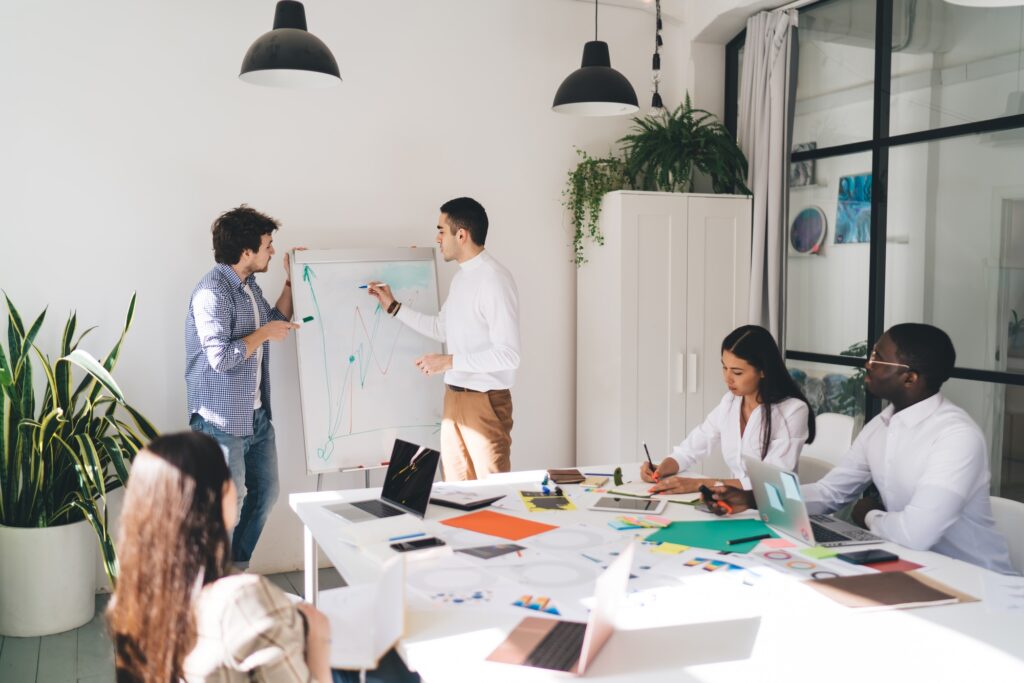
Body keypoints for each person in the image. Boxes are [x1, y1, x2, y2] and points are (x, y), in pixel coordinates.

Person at [107, 431, 419, 682]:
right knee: (387, 663)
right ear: (221, 495)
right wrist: (319, 639)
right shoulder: (241, 600)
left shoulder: (134, 602)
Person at [711, 324, 1015, 574]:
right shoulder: (879, 427)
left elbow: (916, 534)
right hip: (914, 568)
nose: (867, 364)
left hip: (977, 580)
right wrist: (754, 498)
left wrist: (869, 515)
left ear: (910, 377)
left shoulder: (956, 437)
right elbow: (831, 492)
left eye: (879, 359)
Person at [367, 197, 520, 481]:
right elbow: (441, 328)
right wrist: (393, 306)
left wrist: (449, 361)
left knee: (493, 495)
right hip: (454, 398)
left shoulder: (494, 280)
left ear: (461, 235)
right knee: (456, 493)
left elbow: (509, 354)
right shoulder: (462, 279)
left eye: (441, 230)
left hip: (485, 403)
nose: (437, 238)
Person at [185, 205, 299, 568]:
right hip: (220, 422)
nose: (271, 251)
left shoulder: (248, 287)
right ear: (246, 251)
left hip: (255, 417)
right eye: (267, 245)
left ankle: (234, 570)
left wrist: (291, 282)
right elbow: (221, 358)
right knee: (224, 507)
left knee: (266, 492)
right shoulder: (211, 293)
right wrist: (264, 334)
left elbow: (275, 321)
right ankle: (213, 581)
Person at [640, 325, 816, 493]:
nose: (727, 378)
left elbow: (771, 482)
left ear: (763, 371)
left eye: (737, 372)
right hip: (733, 505)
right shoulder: (730, 402)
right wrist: (663, 467)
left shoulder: (793, 411)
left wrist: (701, 484)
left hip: (769, 512)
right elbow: (693, 447)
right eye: (724, 367)